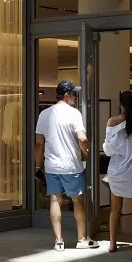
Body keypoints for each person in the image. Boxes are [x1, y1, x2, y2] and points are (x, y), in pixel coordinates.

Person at [34, 81, 100, 251]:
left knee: (55, 200)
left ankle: (59, 241)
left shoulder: (44, 114)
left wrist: (37, 165)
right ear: (66, 96)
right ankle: (82, 239)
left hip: (52, 165)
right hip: (71, 165)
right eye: (74, 94)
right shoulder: (74, 113)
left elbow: (39, 143)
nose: (76, 98)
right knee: (78, 201)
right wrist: (85, 153)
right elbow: (82, 138)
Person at [103, 91, 132, 255]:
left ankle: (112, 244)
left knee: (115, 208)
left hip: (117, 172)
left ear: (120, 104)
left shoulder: (112, 122)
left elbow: (108, 151)